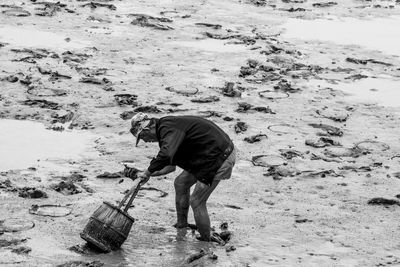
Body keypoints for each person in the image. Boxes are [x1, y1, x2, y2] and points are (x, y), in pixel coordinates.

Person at [127, 113, 236, 242]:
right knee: (180, 183)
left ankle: (206, 242)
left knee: (197, 201)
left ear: (147, 129)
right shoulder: (168, 132)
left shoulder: (167, 127)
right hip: (206, 156)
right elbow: (169, 167)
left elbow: (166, 156)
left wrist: (148, 171)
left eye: (142, 136)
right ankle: (182, 225)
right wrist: (144, 174)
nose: (145, 141)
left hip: (219, 156)